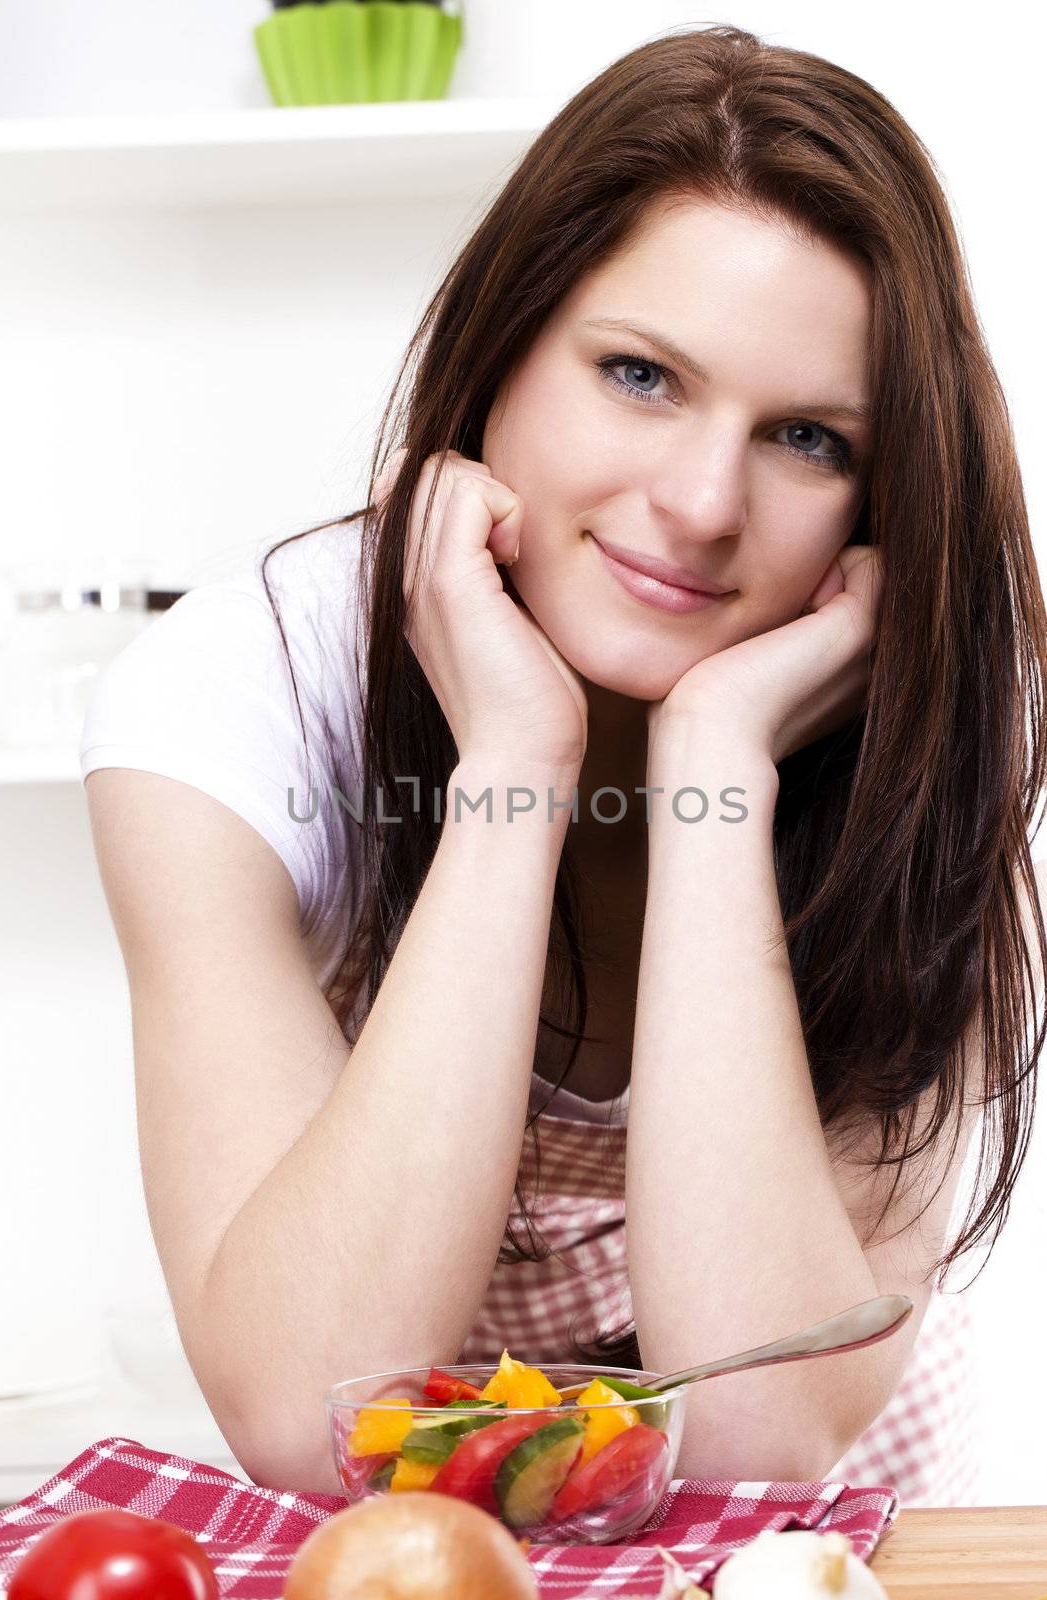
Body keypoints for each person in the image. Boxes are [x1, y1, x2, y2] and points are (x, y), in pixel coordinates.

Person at [80, 24, 1047, 1506]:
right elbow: (301, 1411)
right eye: (641, 375)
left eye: (807, 437)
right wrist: (512, 774)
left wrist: (719, 767)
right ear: (501, 351)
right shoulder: (242, 696)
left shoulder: (922, 729)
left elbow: (754, 1443)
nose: (704, 501)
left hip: (824, 1554)